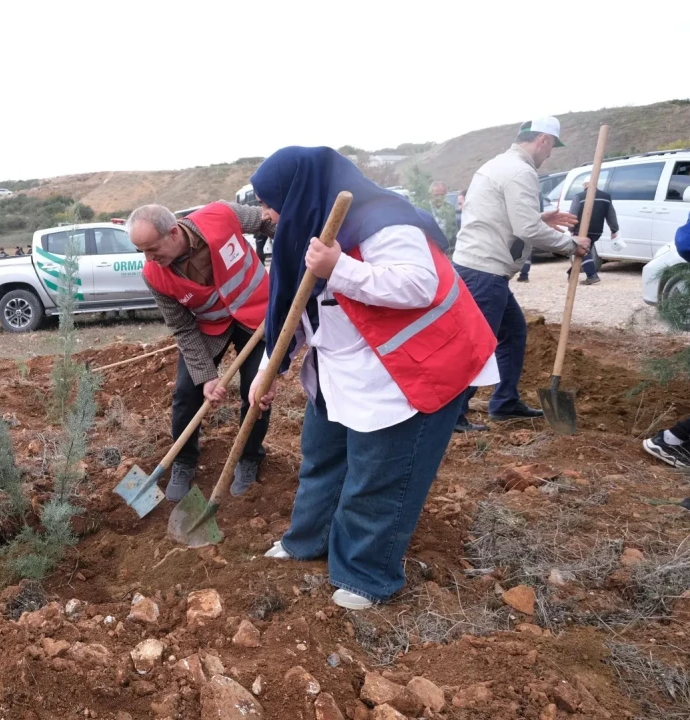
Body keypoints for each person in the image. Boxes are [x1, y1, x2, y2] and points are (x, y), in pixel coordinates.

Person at [247, 147, 498, 610]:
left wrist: (338, 268)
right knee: (321, 459)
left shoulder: (383, 220)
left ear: (298, 193)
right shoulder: (303, 231)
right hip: (345, 365)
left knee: (379, 477)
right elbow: (297, 311)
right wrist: (267, 370)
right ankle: (309, 541)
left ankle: (366, 574)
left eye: (270, 201)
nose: (265, 213)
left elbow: (418, 284)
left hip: (412, 368)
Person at [127, 201, 276, 500]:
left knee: (256, 393)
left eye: (152, 248)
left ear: (173, 232)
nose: (148, 258)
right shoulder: (154, 274)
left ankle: (248, 458)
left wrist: (292, 250)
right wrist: (207, 376)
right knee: (186, 392)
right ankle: (183, 461)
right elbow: (183, 328)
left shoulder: (220, 216)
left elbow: (266, 220)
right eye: (141, 251)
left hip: (258, 315)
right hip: (213, 327)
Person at [451, 117, 587, 432]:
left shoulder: (498, 165)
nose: (550, 154)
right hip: (484, 271)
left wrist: (541, 217)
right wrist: (570, 245)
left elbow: (501, 216)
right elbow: (526, 229)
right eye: (551, 146)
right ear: (543, 140)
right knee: (478, 344)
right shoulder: (520, 172)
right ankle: (454, 415)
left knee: (512, 333)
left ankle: (504, 402)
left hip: (478, 268)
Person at [565, 179, 618, 285]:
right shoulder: (606, 197)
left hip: (581, 230)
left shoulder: (579, 196)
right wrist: (614, 229)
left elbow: (573, 215)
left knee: (583, 251)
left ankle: (592, 275)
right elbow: (611, 215)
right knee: (583, 252)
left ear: (585, 185)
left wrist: (571, 229)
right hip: (597, 231)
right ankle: (571, 273)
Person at [428, 181, 458, 245]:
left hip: (447, 247)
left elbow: (453, 230)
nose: (439, 198)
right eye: (436, 195)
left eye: (442, 195)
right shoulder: (424, 209)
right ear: (431, 194)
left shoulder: (450, 209)